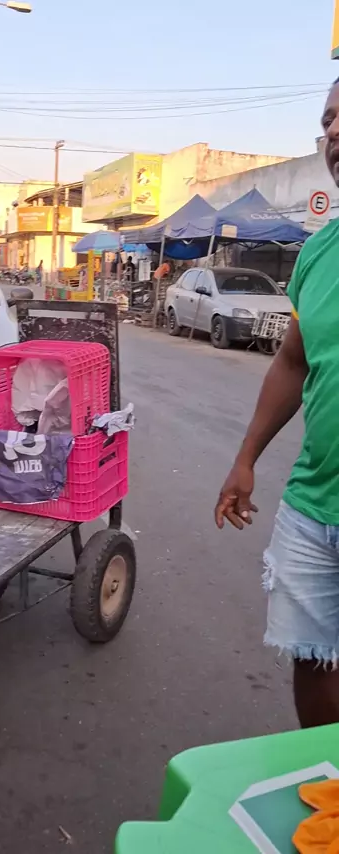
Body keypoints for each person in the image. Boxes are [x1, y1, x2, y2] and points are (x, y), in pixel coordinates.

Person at [215, 77, 339, 729]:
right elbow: (294, 360)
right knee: (312, 660)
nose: (334, 131)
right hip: (314, 507)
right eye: (328, 120)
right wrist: (246, 459)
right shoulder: (318, 253)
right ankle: (326, 773)